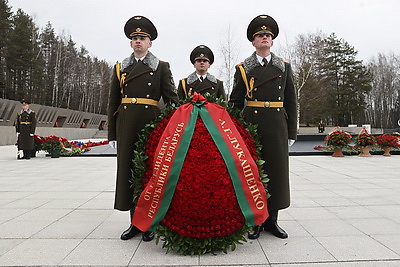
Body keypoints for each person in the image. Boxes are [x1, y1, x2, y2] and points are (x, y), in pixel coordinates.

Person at [107, 15, 178, 242]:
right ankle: (134, 222)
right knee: (128, 171)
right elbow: (113, 103)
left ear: (150, 43)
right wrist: (112, 134)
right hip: (126, 125)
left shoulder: (161, 67)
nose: (138, 41)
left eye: (143, 38)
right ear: (130, 43)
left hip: (150, 124)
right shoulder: (120, 68)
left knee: (149, 172)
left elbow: (172, 100)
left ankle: (149, 223)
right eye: (135, 38)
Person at [229, 14, 297, 239]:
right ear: (253, 42)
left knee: (276, 172)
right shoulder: (243, 68)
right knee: (254, 172)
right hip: (252, 125)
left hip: (277, 124)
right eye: (260, 35)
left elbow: (291, 101)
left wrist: (291, 131)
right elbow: (235, 102)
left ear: (272, 40)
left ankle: (273, 220)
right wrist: (234, 129)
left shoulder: (284, 67)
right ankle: (256, 221)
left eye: (268, 35)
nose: (264, 38)